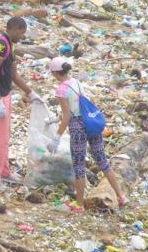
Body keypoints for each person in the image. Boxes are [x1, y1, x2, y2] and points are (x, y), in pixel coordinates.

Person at [47, 57, 126, 213]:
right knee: (102, 160)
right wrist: (55, 119)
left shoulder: (61, 89)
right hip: (91, 123)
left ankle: (79, 205)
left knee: (79, 166)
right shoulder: (76, 82)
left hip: (77, 128)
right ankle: (120, 196)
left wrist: (57, 136)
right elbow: (76, 106)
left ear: (56, 73)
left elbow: (67, 115)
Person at [0, 17, 41, 188]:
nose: (22, 36)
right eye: (21, 33)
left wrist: (31, 93)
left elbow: (13, 75)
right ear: (14, 28)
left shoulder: (9, 45)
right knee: (1, 138)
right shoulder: (0, 45)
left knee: (5, 135)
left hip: (4, 94)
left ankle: (4, 172)